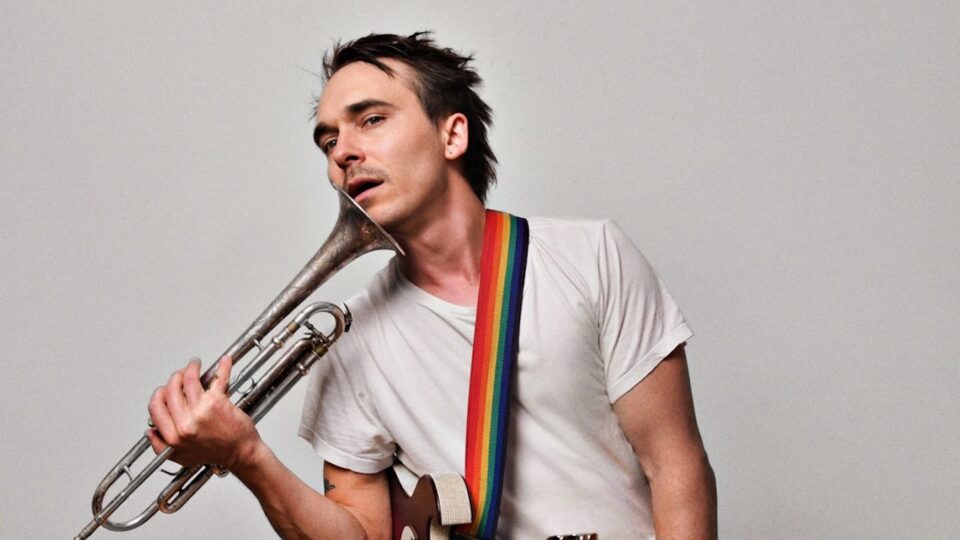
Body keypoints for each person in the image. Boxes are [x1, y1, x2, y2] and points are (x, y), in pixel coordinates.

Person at [147, 31, 717, 539]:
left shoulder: (591, 256)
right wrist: (246, 455)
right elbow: (362, 534)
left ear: (453, 135)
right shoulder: (347, 340)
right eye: (328, 141)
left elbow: (675, 465)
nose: (343, 152)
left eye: (371, 119)